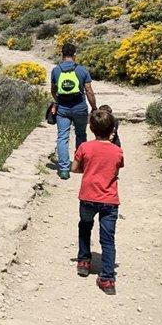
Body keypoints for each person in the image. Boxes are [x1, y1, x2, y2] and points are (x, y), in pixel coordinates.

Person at [72, 109, 124, 295]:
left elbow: (74, 168)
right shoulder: (117, 151)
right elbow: (117, 169)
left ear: (91, 128)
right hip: (109, 200)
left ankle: (84, 261)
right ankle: (108, 279)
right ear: (112, 129)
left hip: (87, 196)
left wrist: (87, 171)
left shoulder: (84, 147)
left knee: (85, 227)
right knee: (108, 239)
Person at [51, 42, 97, 179]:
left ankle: (64, 169)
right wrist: (94, 107)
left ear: (62, 54)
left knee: (62, 137)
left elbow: (53, 90)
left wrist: (58, 101)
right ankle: (80, 164)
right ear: (74, 55)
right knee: (81, 135)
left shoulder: (56, 70)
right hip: (80, 107)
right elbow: (89, 90)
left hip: (63, 109)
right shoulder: (82, 70)